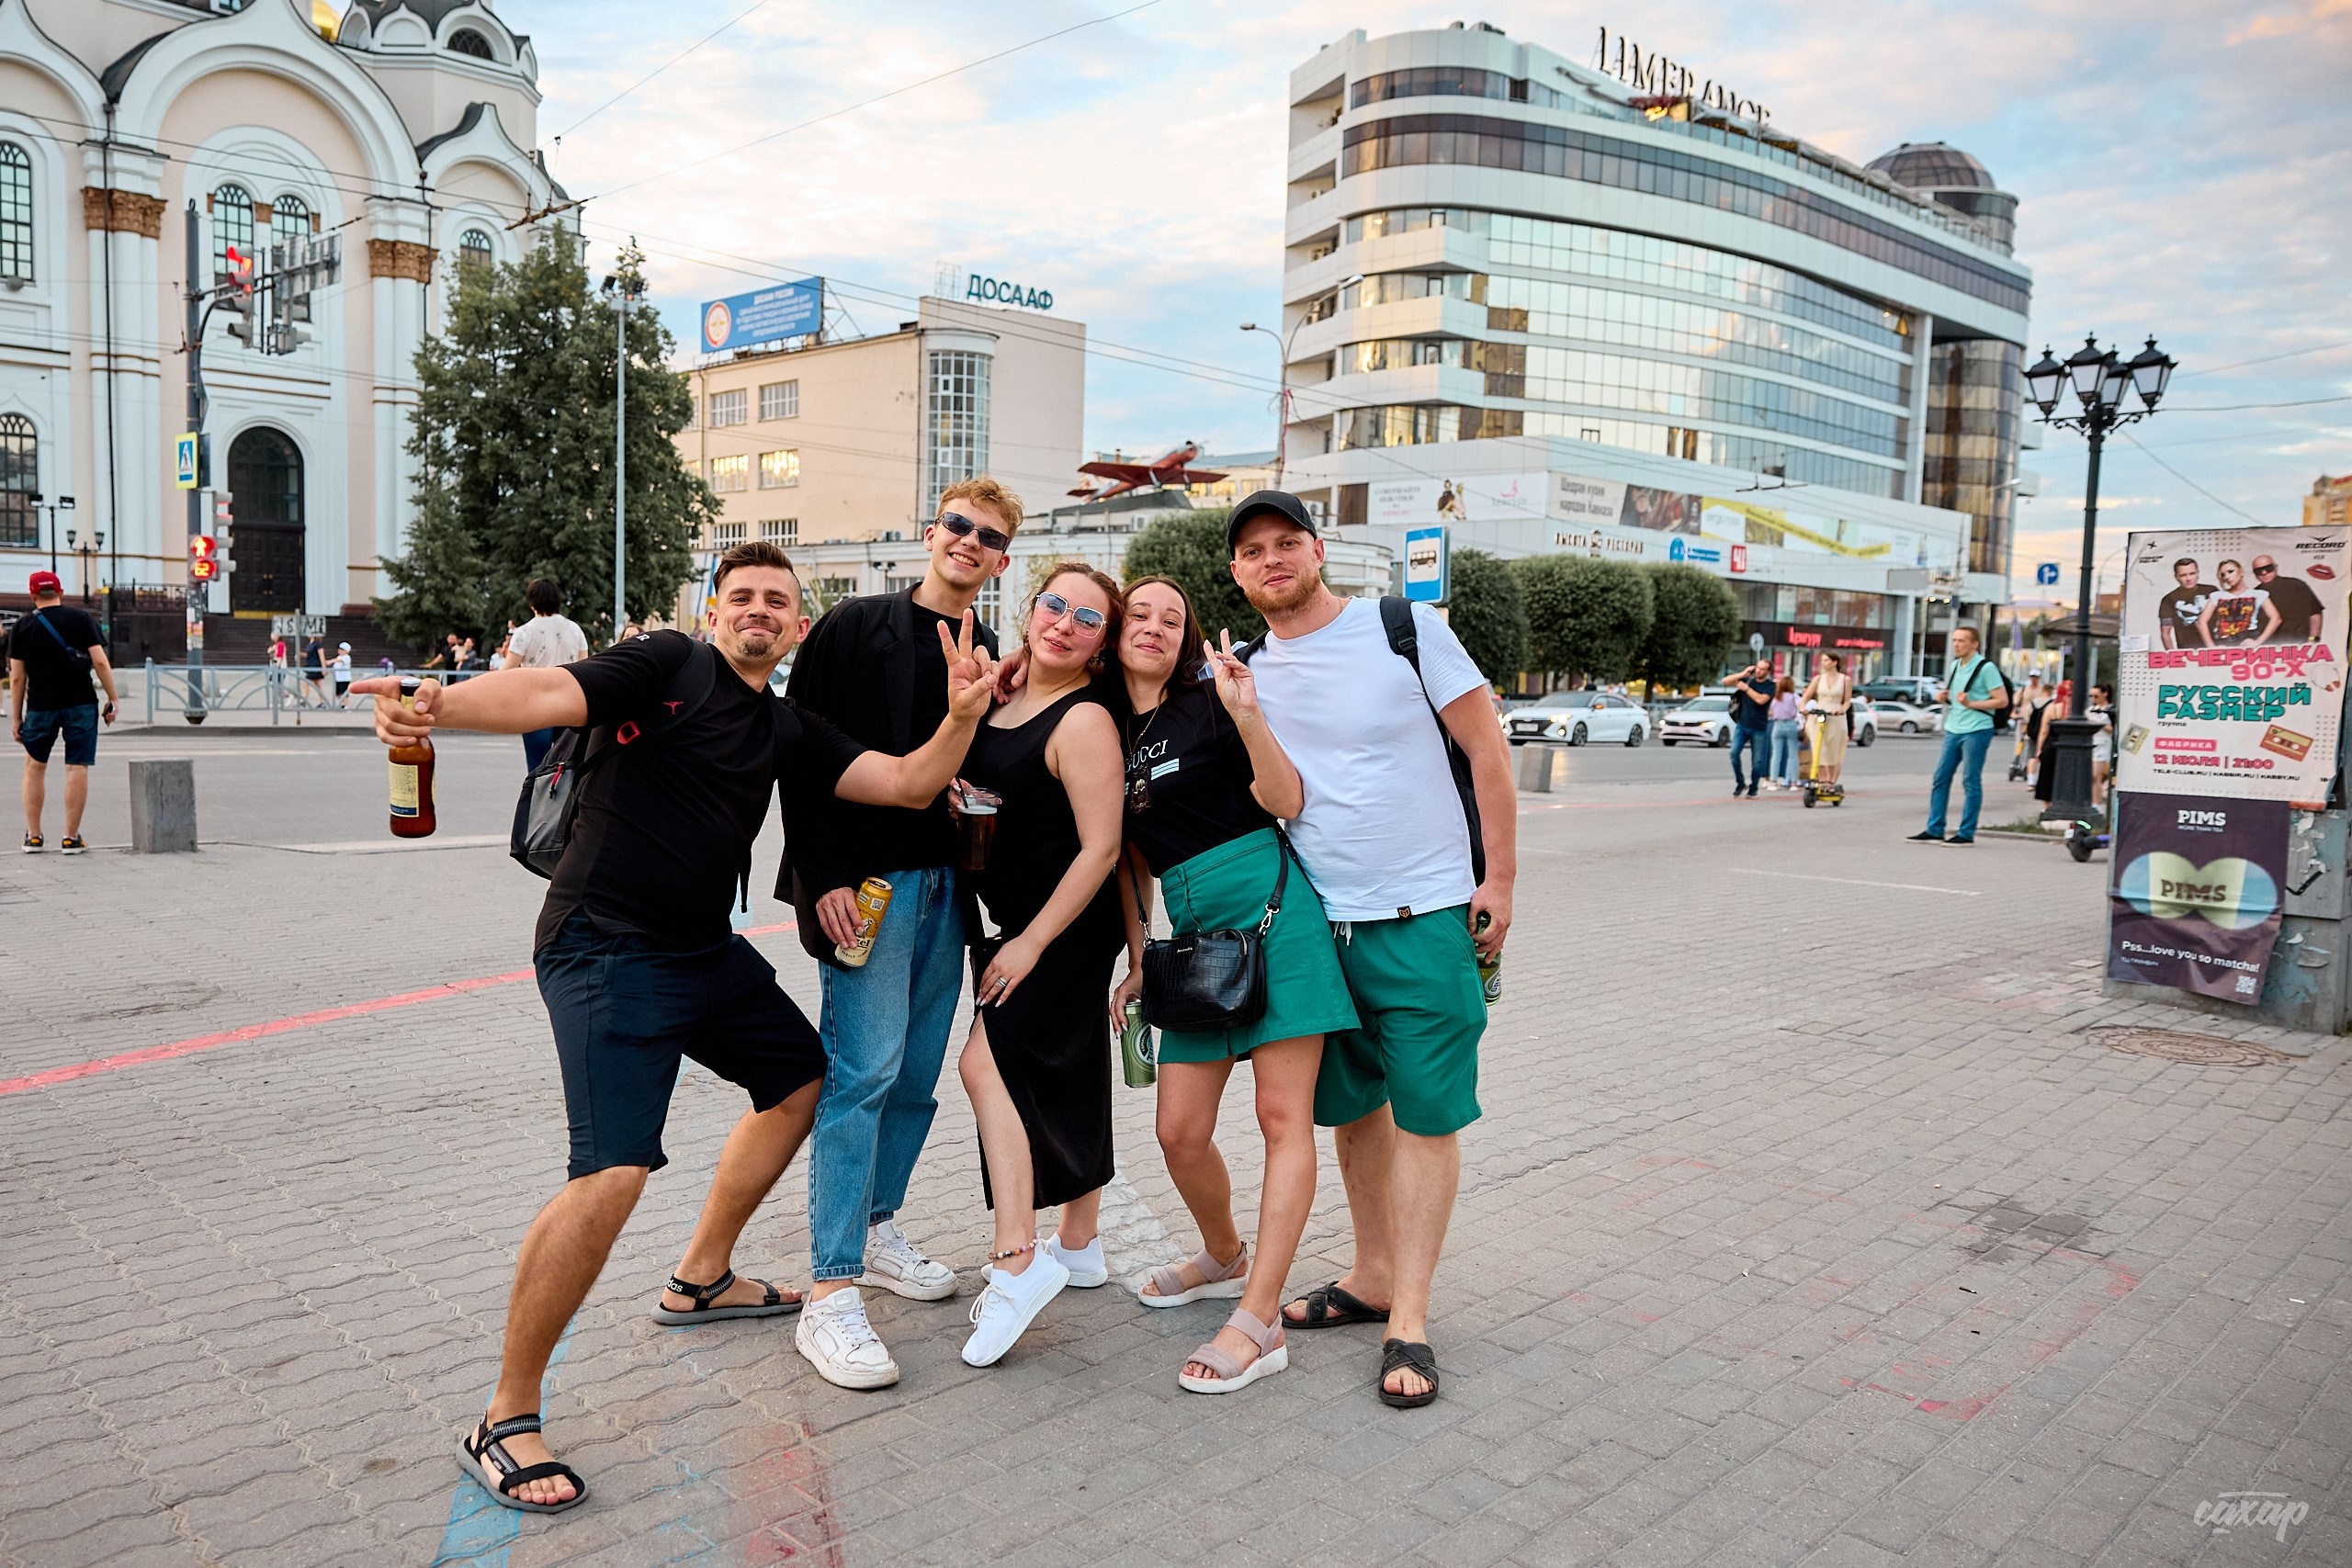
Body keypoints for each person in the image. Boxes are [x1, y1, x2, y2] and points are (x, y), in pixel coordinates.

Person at [349, 541, 996, 1514]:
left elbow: (906, 785)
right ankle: (506, 1417)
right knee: (612, 1169)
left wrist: (958, 717)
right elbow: (544, 696)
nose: (759, 612)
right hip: (604, 946)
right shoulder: (663, 664)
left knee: (797, 1080)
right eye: (742, 597)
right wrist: (438, 703)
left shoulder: (782, 723)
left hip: (700, 950)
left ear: (795, 628)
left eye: (777, 602)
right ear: (712, 612)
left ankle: (700, 1279)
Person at [1226, 491, 1515, 1410]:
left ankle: (1412, 1320)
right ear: (1235, 575)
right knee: (1355, 1110)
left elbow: (1486, 751)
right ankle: (1370, 1274)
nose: (1270, 560)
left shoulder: (1405, 627)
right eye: (1251, 552)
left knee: (1428, 1116)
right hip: (1318, 925)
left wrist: (1498, 880)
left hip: (1424, 913)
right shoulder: (1244, 668)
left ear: (1317, 551)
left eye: (1285, 543)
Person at [783, 476, 1019, 1389]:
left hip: (944, 890)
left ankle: (878, 1226)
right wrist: (821, 877)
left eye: (987, 536)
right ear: (931, 533)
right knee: (863, 1075)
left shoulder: (988, 646)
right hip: (868, 885)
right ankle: (828, 1289)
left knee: (916, 1079)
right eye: (958, 525)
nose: (968, 541)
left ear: (999, 561)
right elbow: (802, 757)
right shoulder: (854, 626)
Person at [1111, 575, 1356, 1393]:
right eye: (1138, 614)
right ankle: (1223, 1253)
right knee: (1178, 1130)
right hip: (1189, 937)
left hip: (1273, 911)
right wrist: (1140, 950)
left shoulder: (1210, 701)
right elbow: (1127, 860)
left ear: (1187, 638)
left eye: (1171, 618)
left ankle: (1258, 1316)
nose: (1153, 626)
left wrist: (1246, 710)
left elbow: (1284, 797)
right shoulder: (1105, 727)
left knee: (1282, 1117)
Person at [953, 563, 1126, 1369]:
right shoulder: (1004, 691)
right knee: (1071, 1068)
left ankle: (1017, 1259)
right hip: (1011, 917)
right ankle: (1080, 1245)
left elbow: (1103, 846)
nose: (1063, 622)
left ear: (1101, 645)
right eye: (1053, 605)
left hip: (1062, 928)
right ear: (1031, 610)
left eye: (1086, 619)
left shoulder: (1086, 719)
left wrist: (1032, 942)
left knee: (985, 1064)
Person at [8, 570, 117, 854]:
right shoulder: (81, 619)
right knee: (77, 767)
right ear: (61, 593)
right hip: (80, 703)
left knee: (34, 768)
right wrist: (112, 699)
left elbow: (17, 677)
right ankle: (70, 837)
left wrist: (17, 716)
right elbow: (101, 663)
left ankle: (33, 836)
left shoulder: (22, 626)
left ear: (33, 595)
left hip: (41, 706)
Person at [1911, 625, 2008, 845]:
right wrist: (1944, 698)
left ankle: (1966, 832)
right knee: (1940, 778)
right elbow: (1958, 698)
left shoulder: (1986, 668)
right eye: (1954, 640)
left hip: (1977, 728)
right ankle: (1935, 828)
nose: (1956, 644)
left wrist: (1972, 703)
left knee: (1970, 780)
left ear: (1974, 644)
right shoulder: (1955, 665)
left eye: (1961, 641)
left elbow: (2002, 700)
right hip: (1954, 728)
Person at [506, 579, 591, 771]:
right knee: (569, 766)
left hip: (536, 705)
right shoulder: (574, 630)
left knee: (538, 769)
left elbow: (506, 671)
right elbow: (585, 667)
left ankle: (537, 800)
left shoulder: (524, 632)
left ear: (531, 602)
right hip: (570, 705)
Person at [2197, 558, 2279, 649]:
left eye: (2230, 571)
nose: (2227, 577)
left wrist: (2258, 642)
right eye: (2223, 574)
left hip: (2248, 638)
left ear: (2241, 571)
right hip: (2223, 640)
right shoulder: (2216, 595)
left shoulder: (2259, 594)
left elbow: (2276, 619)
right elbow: (2201, 622)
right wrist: (2211, 647)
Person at [1802, 652, 1852, 790]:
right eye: (1822, 660)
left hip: (1836, 715)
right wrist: (1803, 708)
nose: (1823, 663)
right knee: (1820, 748)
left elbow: (1847, 700)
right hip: (1820, 713)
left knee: (1834, 750)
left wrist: (1842, 709)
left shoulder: (1845, 679)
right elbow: (1806, 697)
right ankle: (1822, 780)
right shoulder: (1818, 679)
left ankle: (1831, 782)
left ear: (1835, 662)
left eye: (1826, 660)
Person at [1725, 660, 1773, 798]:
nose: (1759, 671)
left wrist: (1746, 689)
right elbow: (1725, 681)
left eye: (1763, 669)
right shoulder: (1748, 679)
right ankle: (1740, 782)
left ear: (1768, 672)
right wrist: (1743, 673)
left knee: (1757, 760)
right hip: (1742, 724)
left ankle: (1753, 788)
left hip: (1759, 727)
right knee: (1734, 753)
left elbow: (1761, 700)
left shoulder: (1770, 686)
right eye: (1758, 668)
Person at [2252, 556, 2324, 645]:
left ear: (2276, 567)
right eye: (2258, 571)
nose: (2264, 573)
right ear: (2254, 573)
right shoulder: (2253, 594)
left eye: (2268, 568)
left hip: (2298, 645)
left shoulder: (2296, 585)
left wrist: (2313, 640)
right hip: (2267, 648)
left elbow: (2315, 613)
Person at [2157, 558, 2212, 650]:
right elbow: (2165, 634)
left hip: (2216, 646)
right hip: (2188, 650)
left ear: (2198, 573)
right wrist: (2173, 657)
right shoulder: (2169, 599)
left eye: (2192, 573)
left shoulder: (2211, 591)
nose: (2188, 579)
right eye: (2183, 575)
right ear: (2176, 577)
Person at [1765, 676, 1801, 790]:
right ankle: (1794, 782)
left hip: (1778, 724)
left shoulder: (1776, 697)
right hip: (1791, 724)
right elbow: (1801, 706)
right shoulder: (1793, 696)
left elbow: (1770, 712)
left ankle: (1773, 781)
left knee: (1776, 754)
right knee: (1793, 755)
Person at [2088, 682, 2114, 807]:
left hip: (2103, 744)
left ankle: (2096, 804)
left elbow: (2112, 729)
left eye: (2096, 696)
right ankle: (2095, 800)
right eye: (2091, 696)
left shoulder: (2110, 710)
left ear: (2105, 694)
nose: (2093, 699)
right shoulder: (2090, 710)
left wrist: (2099, 724)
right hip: (2091, 743)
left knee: (2096, 776)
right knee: (2094, 776)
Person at [303, 634, 330, 706]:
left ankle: (304, 700)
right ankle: (322, 702)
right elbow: (309, 655)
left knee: (306, 683)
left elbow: (321, 655)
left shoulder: (317, 644)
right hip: (310, 666)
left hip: (315, 666)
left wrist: (324, 668)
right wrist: (300, 654)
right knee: (318, 685)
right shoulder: (310, 644)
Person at [332, 641, 354, 708]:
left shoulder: (347, 657)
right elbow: (335, 667)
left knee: (345, 693)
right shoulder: (338, 657)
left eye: (342, 650)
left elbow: (341, 661)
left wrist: (331, 661)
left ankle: (346, 705)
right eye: (339, 649)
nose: (340, 651)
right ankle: (342, 703)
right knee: (337, 693)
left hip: (345, 678)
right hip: (338, 678)